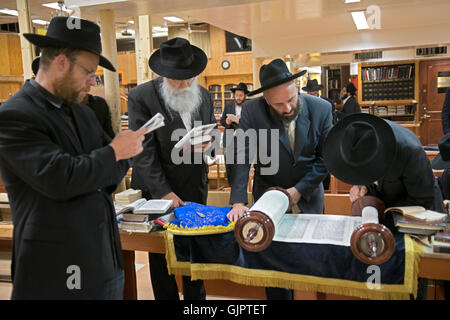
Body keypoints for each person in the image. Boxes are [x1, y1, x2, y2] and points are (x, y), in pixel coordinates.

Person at [0, 16, 146, 299]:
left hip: (104, 259)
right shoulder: (15, 115)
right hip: (55, 267)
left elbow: (111, 171)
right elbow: (60, 178)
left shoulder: (82, 111)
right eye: (89, 72)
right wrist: (114, 153)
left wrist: (121, 153)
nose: (93, 81)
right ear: (62, 62)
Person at [227, 59, 333, 299]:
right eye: (278, 104)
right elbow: (242, 155)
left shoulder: (322, 109)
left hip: (308, 196)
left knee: (311, 262)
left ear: (297, 87)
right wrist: (238, 200)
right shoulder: (253, 111)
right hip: (269, 196)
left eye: (291, 100)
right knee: (274, 267)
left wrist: (298, 190)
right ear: (265, 99)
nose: (287, 108)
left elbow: (326, 159)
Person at [128, 37, 216, 300]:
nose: (186, 83)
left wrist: (209, 143)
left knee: (194, 253)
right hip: (158, 190)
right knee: (162, 257)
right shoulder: (142, 96)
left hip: (194, 185)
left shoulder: (205, 95)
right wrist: (163, 192)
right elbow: (143, 151)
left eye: (190, 77)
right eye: (179, 79)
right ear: (164, 74)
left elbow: (210, 132)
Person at [323, 112, 444, 212]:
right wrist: (361, 185)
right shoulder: (360, 139)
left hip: (421, 217)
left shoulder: (409, 151)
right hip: (383, 207)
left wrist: (380, 206)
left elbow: (423, 199)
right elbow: (365, 164)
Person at [33, 56, 115, 138]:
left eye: (92, 75)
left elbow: (107, 140)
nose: (93, 83)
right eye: (86, 73)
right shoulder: (34, 114)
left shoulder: (91, 108)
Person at [220, 82, 249, 187]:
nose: (238, 98)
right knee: (230, 166)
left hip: (243, 141)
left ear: (245, 95)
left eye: (240, 95)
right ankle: (232, 187)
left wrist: (239, 121)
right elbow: (222, 121)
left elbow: (252, 124)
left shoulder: (249, 106)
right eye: (236, 95)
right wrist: (227, 122)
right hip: (229, 141)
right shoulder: (229, 105)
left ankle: (241, 188)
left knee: (241, 166)